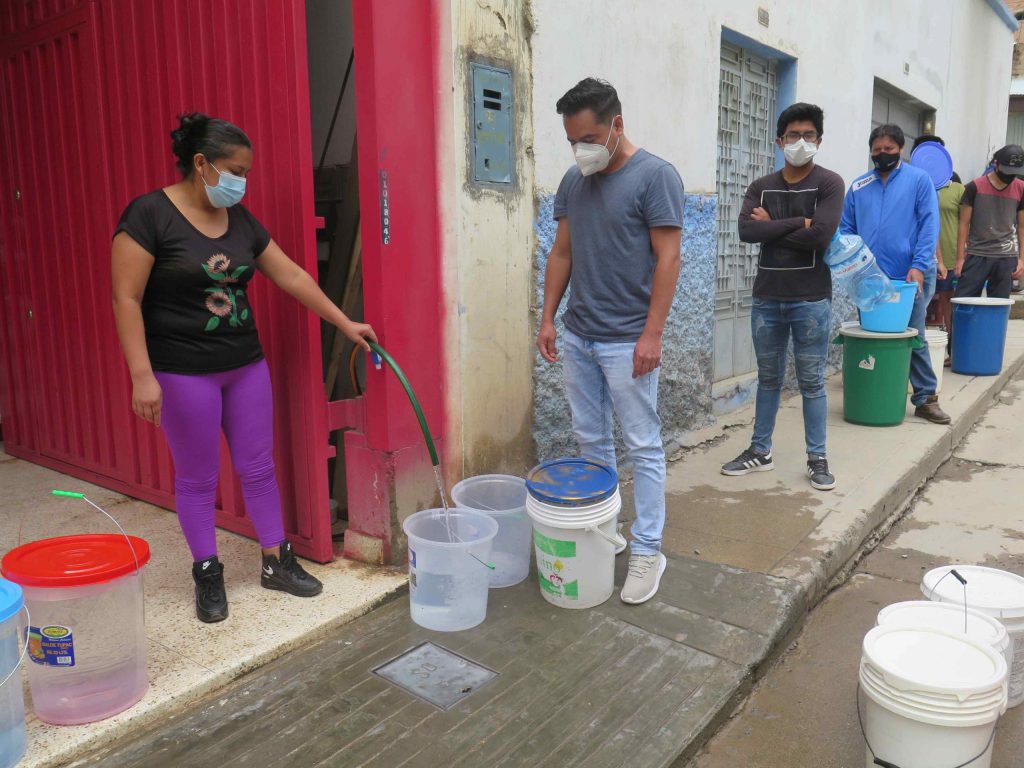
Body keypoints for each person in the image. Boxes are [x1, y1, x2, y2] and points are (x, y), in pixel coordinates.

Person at [111, 114, 377, 623]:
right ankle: (207, 572)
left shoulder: (241, 220)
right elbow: (126, 298)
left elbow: (293, 275)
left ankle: (276, 561)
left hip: (245, 367)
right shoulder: (148, 216)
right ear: (200, 164)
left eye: (245, 173)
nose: (241, 182)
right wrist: (141, 374)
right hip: (183, 371)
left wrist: (345, 323)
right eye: (234, 170)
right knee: (197, 477)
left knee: (258, 467)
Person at [536, 78, 684, 605]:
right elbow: (562, 254)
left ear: (617, 125)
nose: (582, 149)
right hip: (579, 335)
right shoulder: (575, 182)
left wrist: (652, 333)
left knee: (643, 444)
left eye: (590, 137)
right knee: (591, 440)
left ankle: (648, 549)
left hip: (628, 341)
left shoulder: (655, 177)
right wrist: (549, 317)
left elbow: (668, 258)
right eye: (573, 140)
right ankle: (608, 529)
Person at [720, 103, 844, 491]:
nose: (801, 142)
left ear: (819, 141)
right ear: (779, 140)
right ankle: (760, 450)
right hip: (767, 299)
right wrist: (796, 224)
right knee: (769, 379)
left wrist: (771, 225)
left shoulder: (828, 184)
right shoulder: (761, 186)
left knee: (811, 382)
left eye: (809, 135)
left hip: (811, 299)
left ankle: (817, 458)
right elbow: (746, 232)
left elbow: (821, 236)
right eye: (793, 135)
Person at [840, 124, 948, 424]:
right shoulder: (860, 186)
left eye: (888, 150)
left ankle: (926, 397)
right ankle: (878, 390)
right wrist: (853, 265)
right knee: (873, 335)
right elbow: (847, 228)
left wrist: (920, 264)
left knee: (912, 335)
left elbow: (929, 225)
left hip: (909, 275)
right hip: (870, 278)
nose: (882, 155)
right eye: (877, 150)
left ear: (900, 149)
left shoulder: (919, 180)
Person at [954, 145, 1024, 300]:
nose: (1010, 176)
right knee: (964, 302)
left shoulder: (1021, 188)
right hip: (977, 254)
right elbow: (964, 224)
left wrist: (1021, 259)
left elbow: (1022, 227)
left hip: (1006, 256)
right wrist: (959, 258)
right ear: (996, 163)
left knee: (999, 306)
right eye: (1007, 171)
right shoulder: (974, 187)